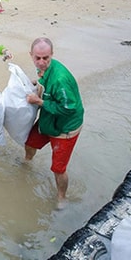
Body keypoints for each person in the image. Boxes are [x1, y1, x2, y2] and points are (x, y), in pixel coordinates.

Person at [24, 37, 84, 208]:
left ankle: (61, 198)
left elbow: (68, 108)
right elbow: (43, 80)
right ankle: (26, 163)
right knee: (30, 143)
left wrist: (39, 102)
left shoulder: (60, 79)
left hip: (66, 127)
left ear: (52, 55)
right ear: (31, 55)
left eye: (46, 58)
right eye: (38, 58)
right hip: (49, 119)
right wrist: (35, 82)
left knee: (58, 169)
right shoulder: (44, 70)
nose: (41, 62)